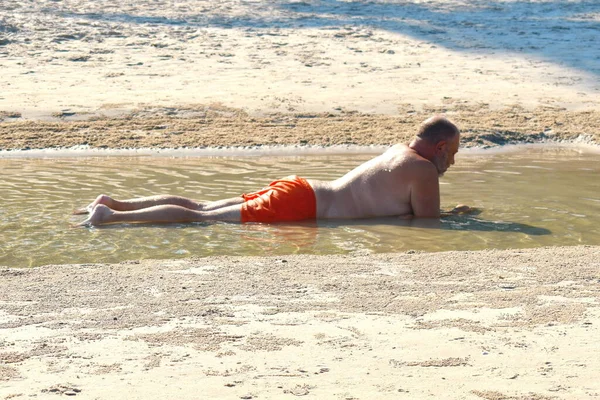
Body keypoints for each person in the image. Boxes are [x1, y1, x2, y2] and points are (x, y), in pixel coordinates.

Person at [75, 115, 472, 226]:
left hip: (302, 188)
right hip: (302, 205)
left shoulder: (397, 152)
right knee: (199, 218)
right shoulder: (423, 170)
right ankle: (109, 217)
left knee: (202, 204)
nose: (451, 161)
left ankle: (117, 202)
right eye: (452, 153)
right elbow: (428, 223)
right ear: (438, 147)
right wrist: (459, 219)